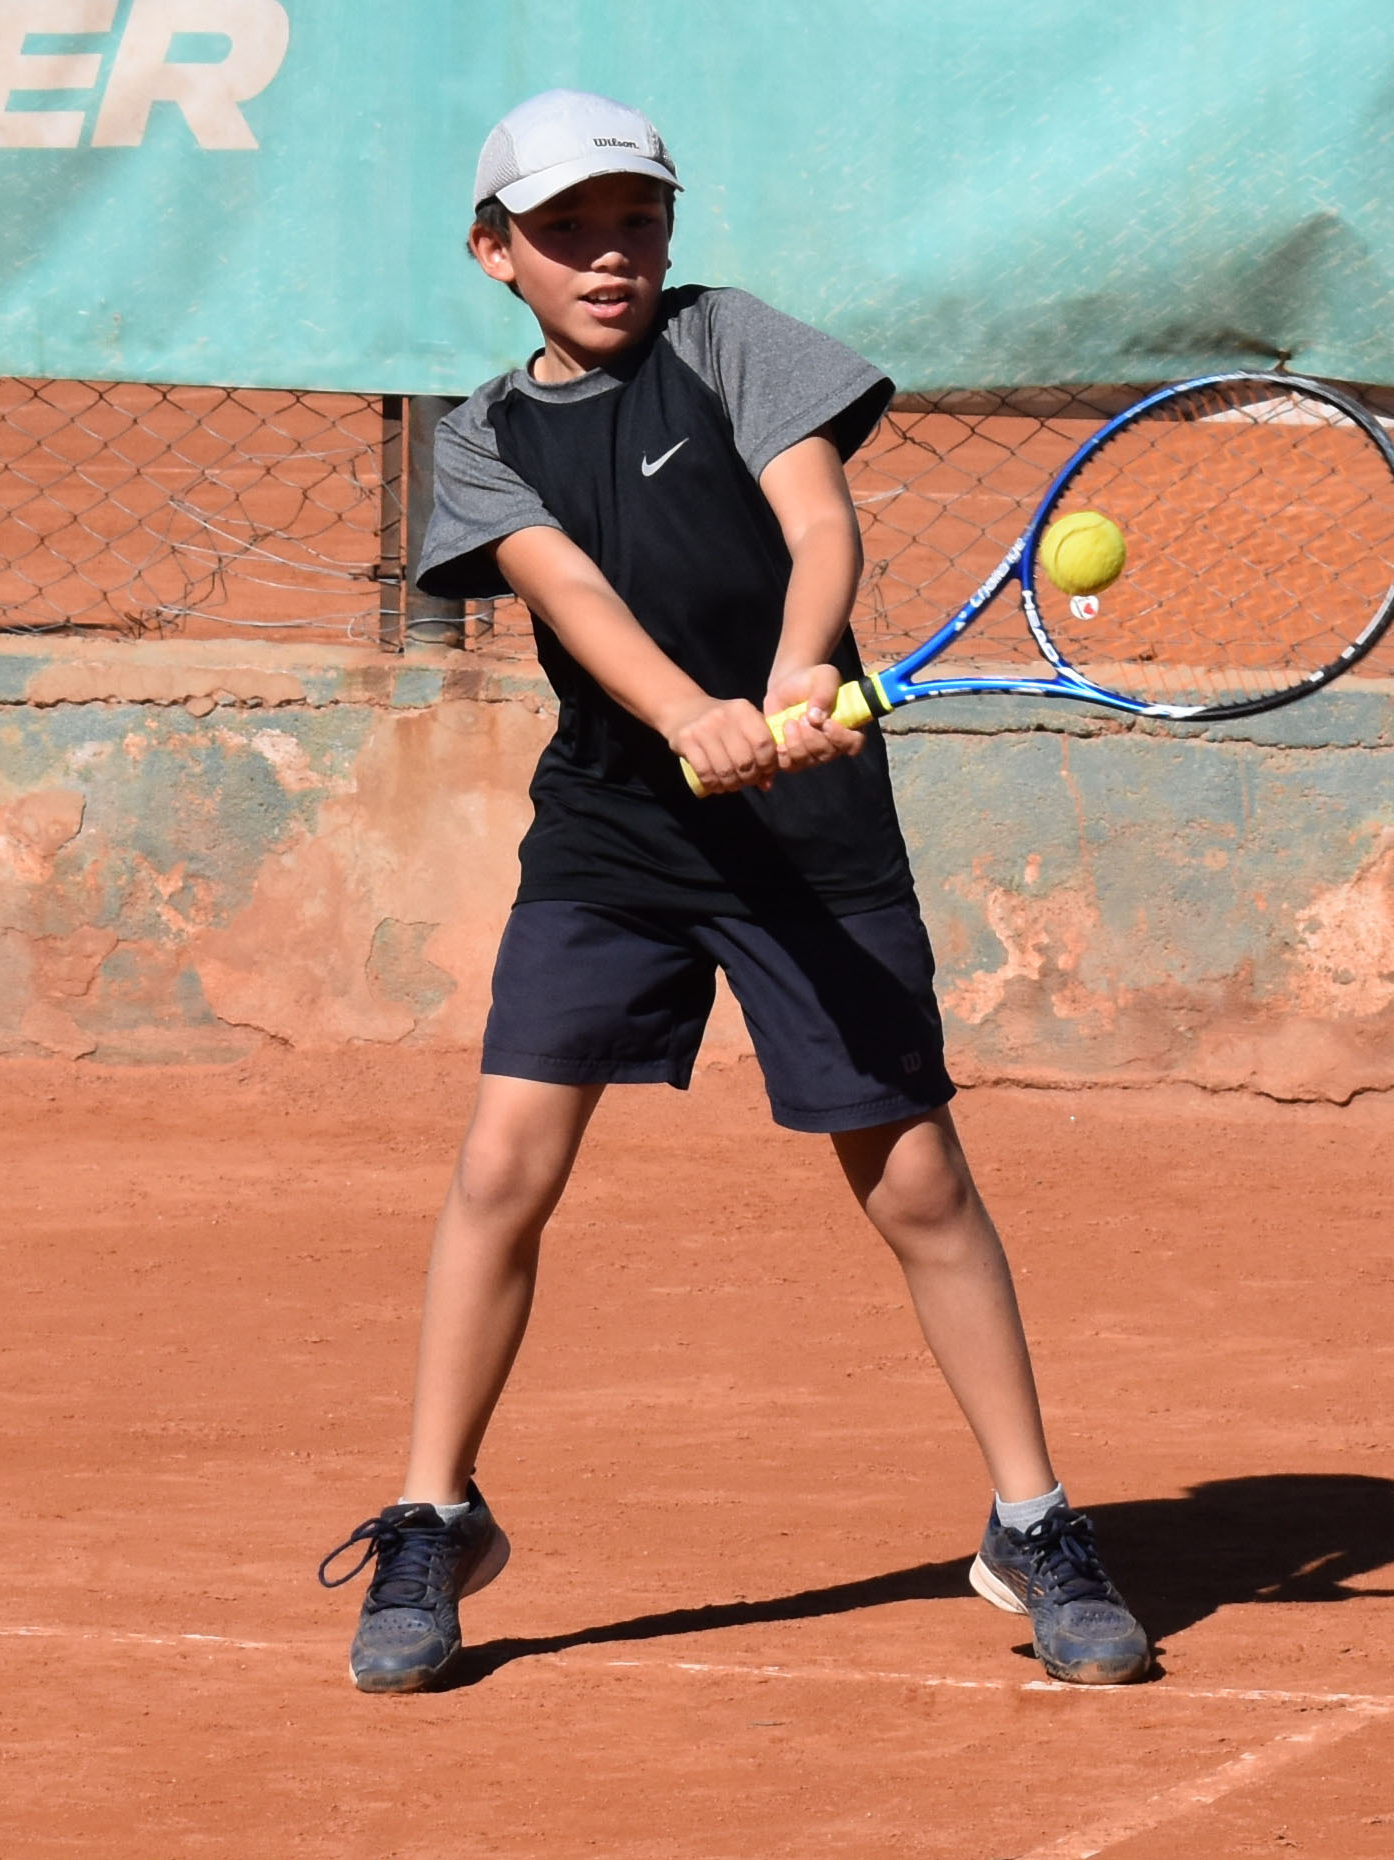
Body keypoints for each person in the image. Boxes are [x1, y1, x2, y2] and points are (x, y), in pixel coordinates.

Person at [316, 89, 1150, 1695]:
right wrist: (687, 714)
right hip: (614, 838)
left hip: (811, 834)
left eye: (633, 221)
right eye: (564, 231)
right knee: (502, 1164)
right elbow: (571, 593)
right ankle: (435, 1516)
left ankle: (1032, 1522)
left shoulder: (731, 341)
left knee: (913, 1178)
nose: (606, 256)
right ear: (494, 255)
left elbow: (816, 517)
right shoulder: (481, 438)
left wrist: (791, 671)